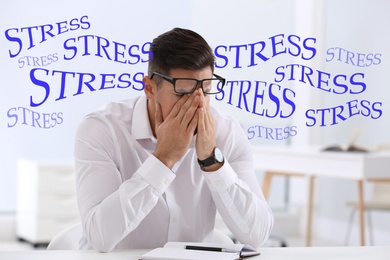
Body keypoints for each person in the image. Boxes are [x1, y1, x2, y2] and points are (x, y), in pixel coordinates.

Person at [74, 27, 273, 252]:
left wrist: (213, 162)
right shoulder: (103, 129)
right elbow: (100, 236)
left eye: (205, 91)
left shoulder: (227, 131)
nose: (198, 105)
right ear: (149, 88)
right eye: (182, 93)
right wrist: (163, 159)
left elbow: (257, 235)